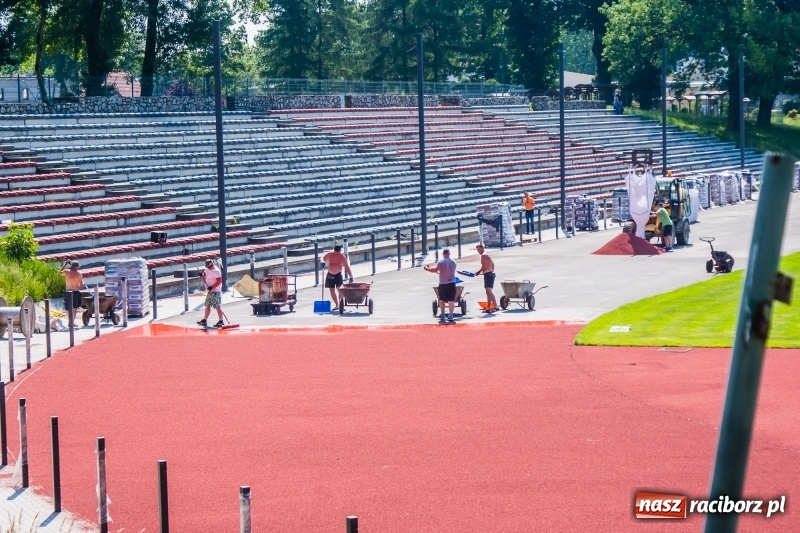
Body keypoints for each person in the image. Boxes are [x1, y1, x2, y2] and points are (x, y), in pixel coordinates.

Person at [424, 248, 457, 323]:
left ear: (443, 254)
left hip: (443, 283)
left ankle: (442, 314)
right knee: (451, 300)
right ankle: (451, 315)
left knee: (441, 299)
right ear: (449, 254)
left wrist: (427, 269)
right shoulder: (454, 262)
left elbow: (435, 270)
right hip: (452, 283)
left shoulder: (441, 262)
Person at [321, 245, 353, 309]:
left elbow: (347, 266)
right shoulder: (330, 254)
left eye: (337, 252)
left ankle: (341, 305)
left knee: (340, 290)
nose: (336, 253)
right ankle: (337, 305)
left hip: (338, 274)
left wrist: (350, 275)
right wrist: (322, 261)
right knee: (331, 290)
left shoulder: (342, 257)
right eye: (335, 252)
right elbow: (323, 257)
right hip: (330, 274)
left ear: (340, 251)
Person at [197, 258, 224, 327]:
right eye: (207, 267)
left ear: (212, 264)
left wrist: (212, 287)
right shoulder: (207, 269)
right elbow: (205, 275)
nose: (209, 268)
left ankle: (221, 320)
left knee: (217, 306)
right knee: (207, 305)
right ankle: (204, 320)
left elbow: (219, 281)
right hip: (210, 291)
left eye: (210, 266)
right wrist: (202, 275)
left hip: (216, 291)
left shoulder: (216, 271)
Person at [474, 244, 497, 312]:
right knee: (488, 292)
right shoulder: (487, 255)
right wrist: (491, 270)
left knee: (489, 292)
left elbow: (484, 266)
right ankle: (489, 307)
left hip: (488, 275)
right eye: (477, 250)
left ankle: (495, 306)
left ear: (482, 248)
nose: (478, 251)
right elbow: (493, 264)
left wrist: (479, 272)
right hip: (489, 274)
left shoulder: (484, 255)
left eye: (479, 249)